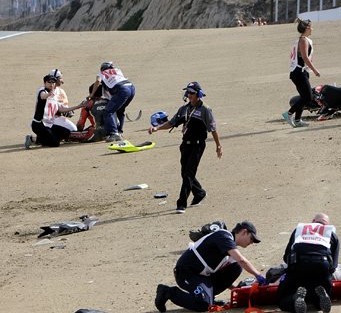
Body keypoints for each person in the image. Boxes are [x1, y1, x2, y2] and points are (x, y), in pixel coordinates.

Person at [154, 221, 267, 313]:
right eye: (252, 239)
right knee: (203, 305)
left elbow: (224, 277)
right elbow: (242, 260)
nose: (252, 243)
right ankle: (167, 292)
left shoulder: (229, 250)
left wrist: (237, 289)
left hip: (201, 275)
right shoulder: (224, 236)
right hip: (186, 272)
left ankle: (208, 297)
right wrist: (259, 275)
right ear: (244, 232)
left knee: (235, 267)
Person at [148, 81, 222, 214]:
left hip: (198, 145)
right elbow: (172, 122)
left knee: (188, 174)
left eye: (192, 93)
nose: (189, 95)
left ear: (198, 94)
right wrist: (157, 128)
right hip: (185, 145)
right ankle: (199, 193)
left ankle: (181, 203)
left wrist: (218, 145)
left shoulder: (205, 109)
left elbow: (213, 129)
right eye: (188, 92)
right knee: (185, 173)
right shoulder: (184, 109)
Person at [278, 213, 338, 313]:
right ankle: (319, 300)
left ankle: (294, 299)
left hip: (299, 266)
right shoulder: (331, 233)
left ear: (313, 221)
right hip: (322, 266)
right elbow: (333, 266)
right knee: (317, 290)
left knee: (283, 298)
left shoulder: (299, 230)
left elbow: (286, 257)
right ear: (327, 225)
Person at [25, 75, 84, 148]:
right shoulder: (42, 91)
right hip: (39, 124)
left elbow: (62, 109)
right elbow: (42, 96)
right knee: (55, 143)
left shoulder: (54, 96)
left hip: (49, 124)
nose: (51, 84)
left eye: (53, 82)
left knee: (66, 133)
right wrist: (48, 94)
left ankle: (46, 138)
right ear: (45, 83)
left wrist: (79, 106)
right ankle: (32, 139)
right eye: (49, 82)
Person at [282, 18, 320, 128]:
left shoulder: (301, 40)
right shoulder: (303, 40)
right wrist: (315, 70)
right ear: (307, 28)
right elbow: (305, 57)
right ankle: (289, 114)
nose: (312, 29)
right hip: (299, 72)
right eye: (311, 26)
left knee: (303, 96)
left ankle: (297, 120)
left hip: (299, 71)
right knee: (308, 97)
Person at [88, 62, 135, 142]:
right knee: (120, 110)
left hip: (122, 90)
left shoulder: (101, 73)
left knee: (108, 111)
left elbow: (97, 82)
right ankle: (119, 132)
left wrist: (92, 94)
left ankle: (114, 133)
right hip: (131, 88)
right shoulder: (117, 70)